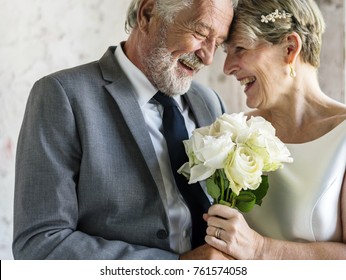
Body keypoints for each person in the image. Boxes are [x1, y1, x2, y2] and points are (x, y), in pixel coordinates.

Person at [13, 0, 238, 260]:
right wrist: (177, 268)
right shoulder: (62, 95)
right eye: (200, 34)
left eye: (218, 43)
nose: (208, 57)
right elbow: (40, 243)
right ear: (148, 13)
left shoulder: (210, 101)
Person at [204, 0, 346, 259]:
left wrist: (261, 249)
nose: (227, 68)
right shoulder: (232, 131)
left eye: (240, 48)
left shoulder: (342, 136)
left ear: (290, 49)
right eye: (227, 51)